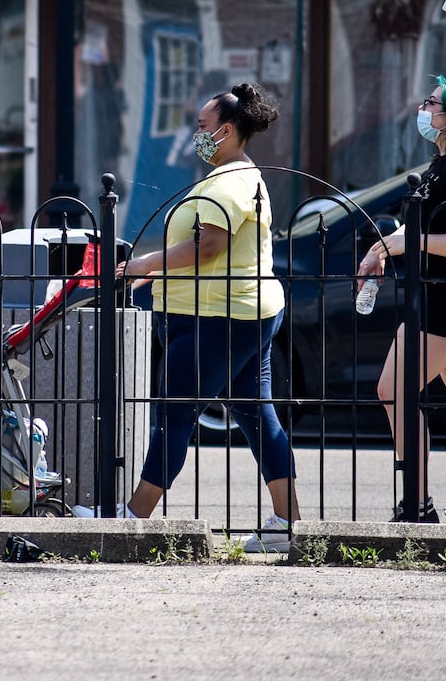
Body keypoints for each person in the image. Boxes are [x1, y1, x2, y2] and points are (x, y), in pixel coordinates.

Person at [73, 82, 299, 554]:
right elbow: (210, 251)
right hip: (237, 311)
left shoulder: (232, 182)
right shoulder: (234, 176)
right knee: (258, 417)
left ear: (228, 129)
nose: (196, 134)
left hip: (216, 316)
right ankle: (288, 523)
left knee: (173, 416)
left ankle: (131, 519)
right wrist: (153, 277)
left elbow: (209, 245)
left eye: (202, 126)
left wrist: (142, 264)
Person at [359, 76, 446, 523]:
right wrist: (381, 249)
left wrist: (394, 246)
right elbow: (415, 226)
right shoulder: (441, 165)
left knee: (394, 390)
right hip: (431, 296)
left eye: (431, 103)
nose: (422, 109)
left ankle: (418, 505)